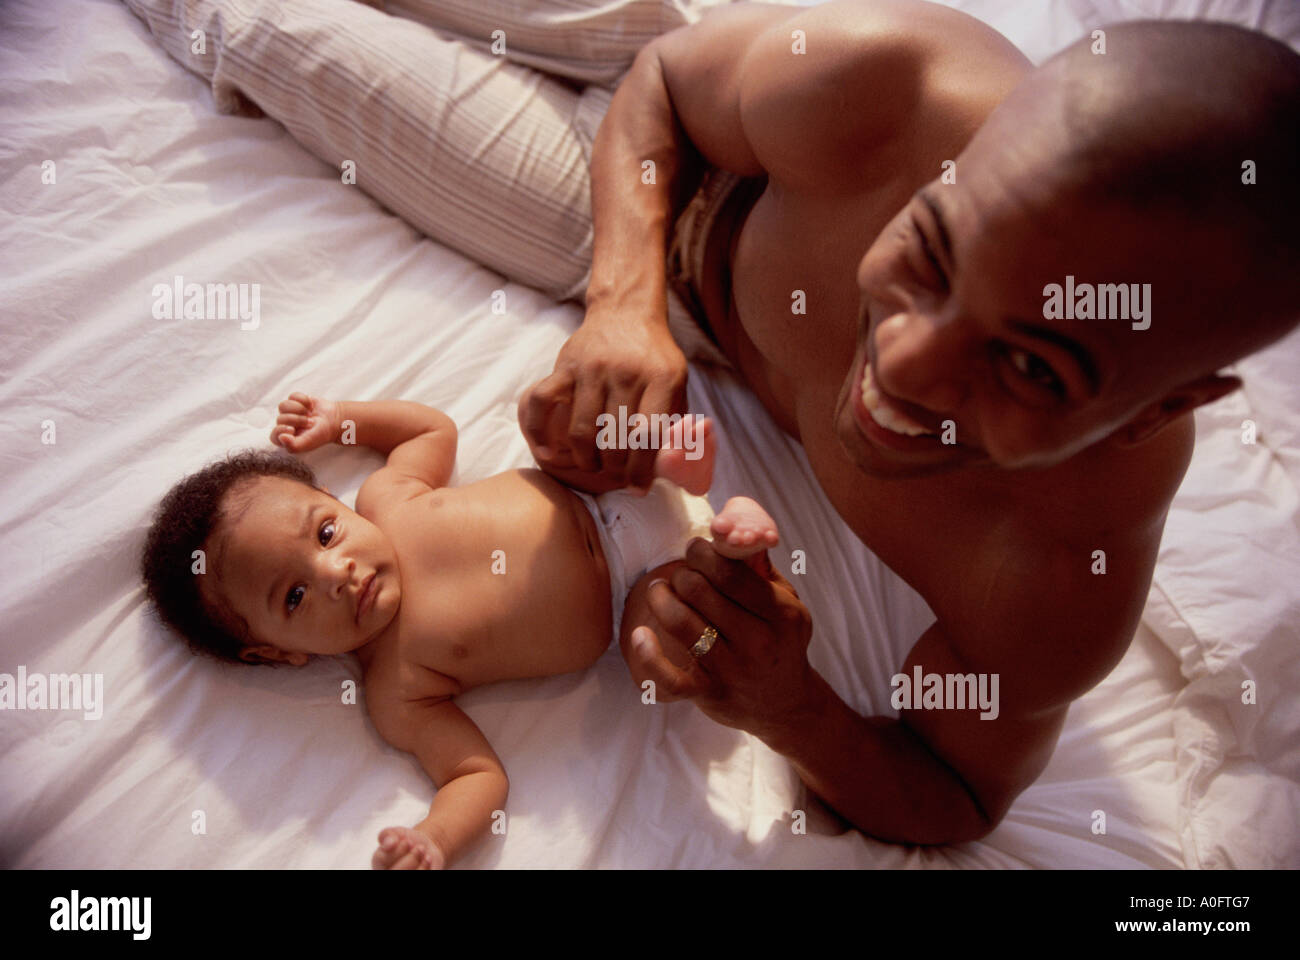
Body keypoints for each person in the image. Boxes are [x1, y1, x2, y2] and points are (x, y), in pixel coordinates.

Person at [139, 393, 778, 867]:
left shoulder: (386, 497)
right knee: (657, 648)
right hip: (629, 597)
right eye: (296, 595)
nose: (338, 572)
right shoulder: (397, 691)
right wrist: (434, 839)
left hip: (588, 492)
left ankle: (665, 464)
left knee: (557, 428)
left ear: (336, 501)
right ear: (277, 653)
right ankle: (732, 548)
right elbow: (476, 777)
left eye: (326, 532)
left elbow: (430, 428)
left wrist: (342, 420)